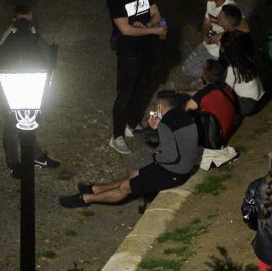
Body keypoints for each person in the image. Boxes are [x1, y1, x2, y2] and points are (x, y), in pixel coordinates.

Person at [59, 90, 202, 208]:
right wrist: (156, 128)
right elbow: (173, 139)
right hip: (179, 166)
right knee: (134, 174)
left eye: (155, 105)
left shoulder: (166, 124)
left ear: (160, 106)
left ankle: (86, 199)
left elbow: (170, 155)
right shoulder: (182, 115)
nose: (153, 108)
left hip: (174, 172)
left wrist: (156, 155)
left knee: (126, 187)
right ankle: (95, 188)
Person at [0, 4, 60, 178]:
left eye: (28, 19)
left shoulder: (34, 35)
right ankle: (12, 163)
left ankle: (36, 156)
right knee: (12, 124)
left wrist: (34, 34)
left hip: (33, 83)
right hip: (12, 85)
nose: (26, 23)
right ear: (14, 19)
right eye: (22, 20)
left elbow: (48, 56)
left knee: (29, 122)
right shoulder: (8, 36)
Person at [107, 0, 166, 154]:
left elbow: (156, 14)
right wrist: (152, 31)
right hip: (128, 52)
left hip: (146, 49)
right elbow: (125, 29)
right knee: (125, 93)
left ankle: (131, 122)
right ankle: (117, 136)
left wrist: (147, 24)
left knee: (141, 88)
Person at [181, 0, 246, 84]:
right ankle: (209, 77)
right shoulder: (210, 3)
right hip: (208, 44)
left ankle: (211, 78)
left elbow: (244, 29)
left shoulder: (230, 7)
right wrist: (205, 34)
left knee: (214, 74)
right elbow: (206, 23)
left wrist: (222, 35)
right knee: (186, 69)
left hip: (220, 51)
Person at [184, 59, 238, 143]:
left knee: (184, 114)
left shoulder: (205, 94)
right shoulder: (224, 86)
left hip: (215, 139)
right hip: (228, 129)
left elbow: (186, 108)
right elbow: (202, 94)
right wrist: (181, 92)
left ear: (205, 76)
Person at [220, 30, 265, 118]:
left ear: (224, 49)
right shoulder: (246, 58)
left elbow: (225, 91)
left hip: (249, 106)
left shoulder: (232, 70)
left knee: (222, 97)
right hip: (261, 98)